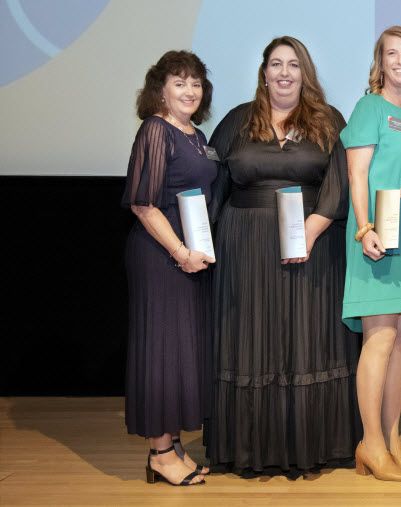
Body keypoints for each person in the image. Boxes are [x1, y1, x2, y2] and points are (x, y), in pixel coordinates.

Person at [206, 36, 360, 475]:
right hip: (246, 246)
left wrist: (312, 228)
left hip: (315, 244)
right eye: (276, 64)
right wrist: (199, 241)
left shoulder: (328, 119)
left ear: (304, 72)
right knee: (251, 339)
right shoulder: (237, 119)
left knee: (309, 339)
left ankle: (313, 443)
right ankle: (251, 447)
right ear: (264, 72)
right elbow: (215, 182)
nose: (284, 72)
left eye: (293, 64)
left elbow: (340, 178)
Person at [342, 26, 401, 482]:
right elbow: (356, 175)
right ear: (380, 62)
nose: (400, 61)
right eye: (391, 54)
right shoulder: (368, 107)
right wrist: (364, 229)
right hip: (376, 232)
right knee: (379, 339)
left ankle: (393, 436)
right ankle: (370, 442)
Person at [123, 50, 215, 486]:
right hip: (163, 257)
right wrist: (180, 252)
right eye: (179, 82)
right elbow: (143, 203)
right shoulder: (155, 130)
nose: (189, 90)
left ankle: (173, 444)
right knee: (162, 351)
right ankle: (160, 453)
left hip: (191, 257)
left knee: (181, 350)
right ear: (159, 89)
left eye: (195, 82)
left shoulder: (195, 134)